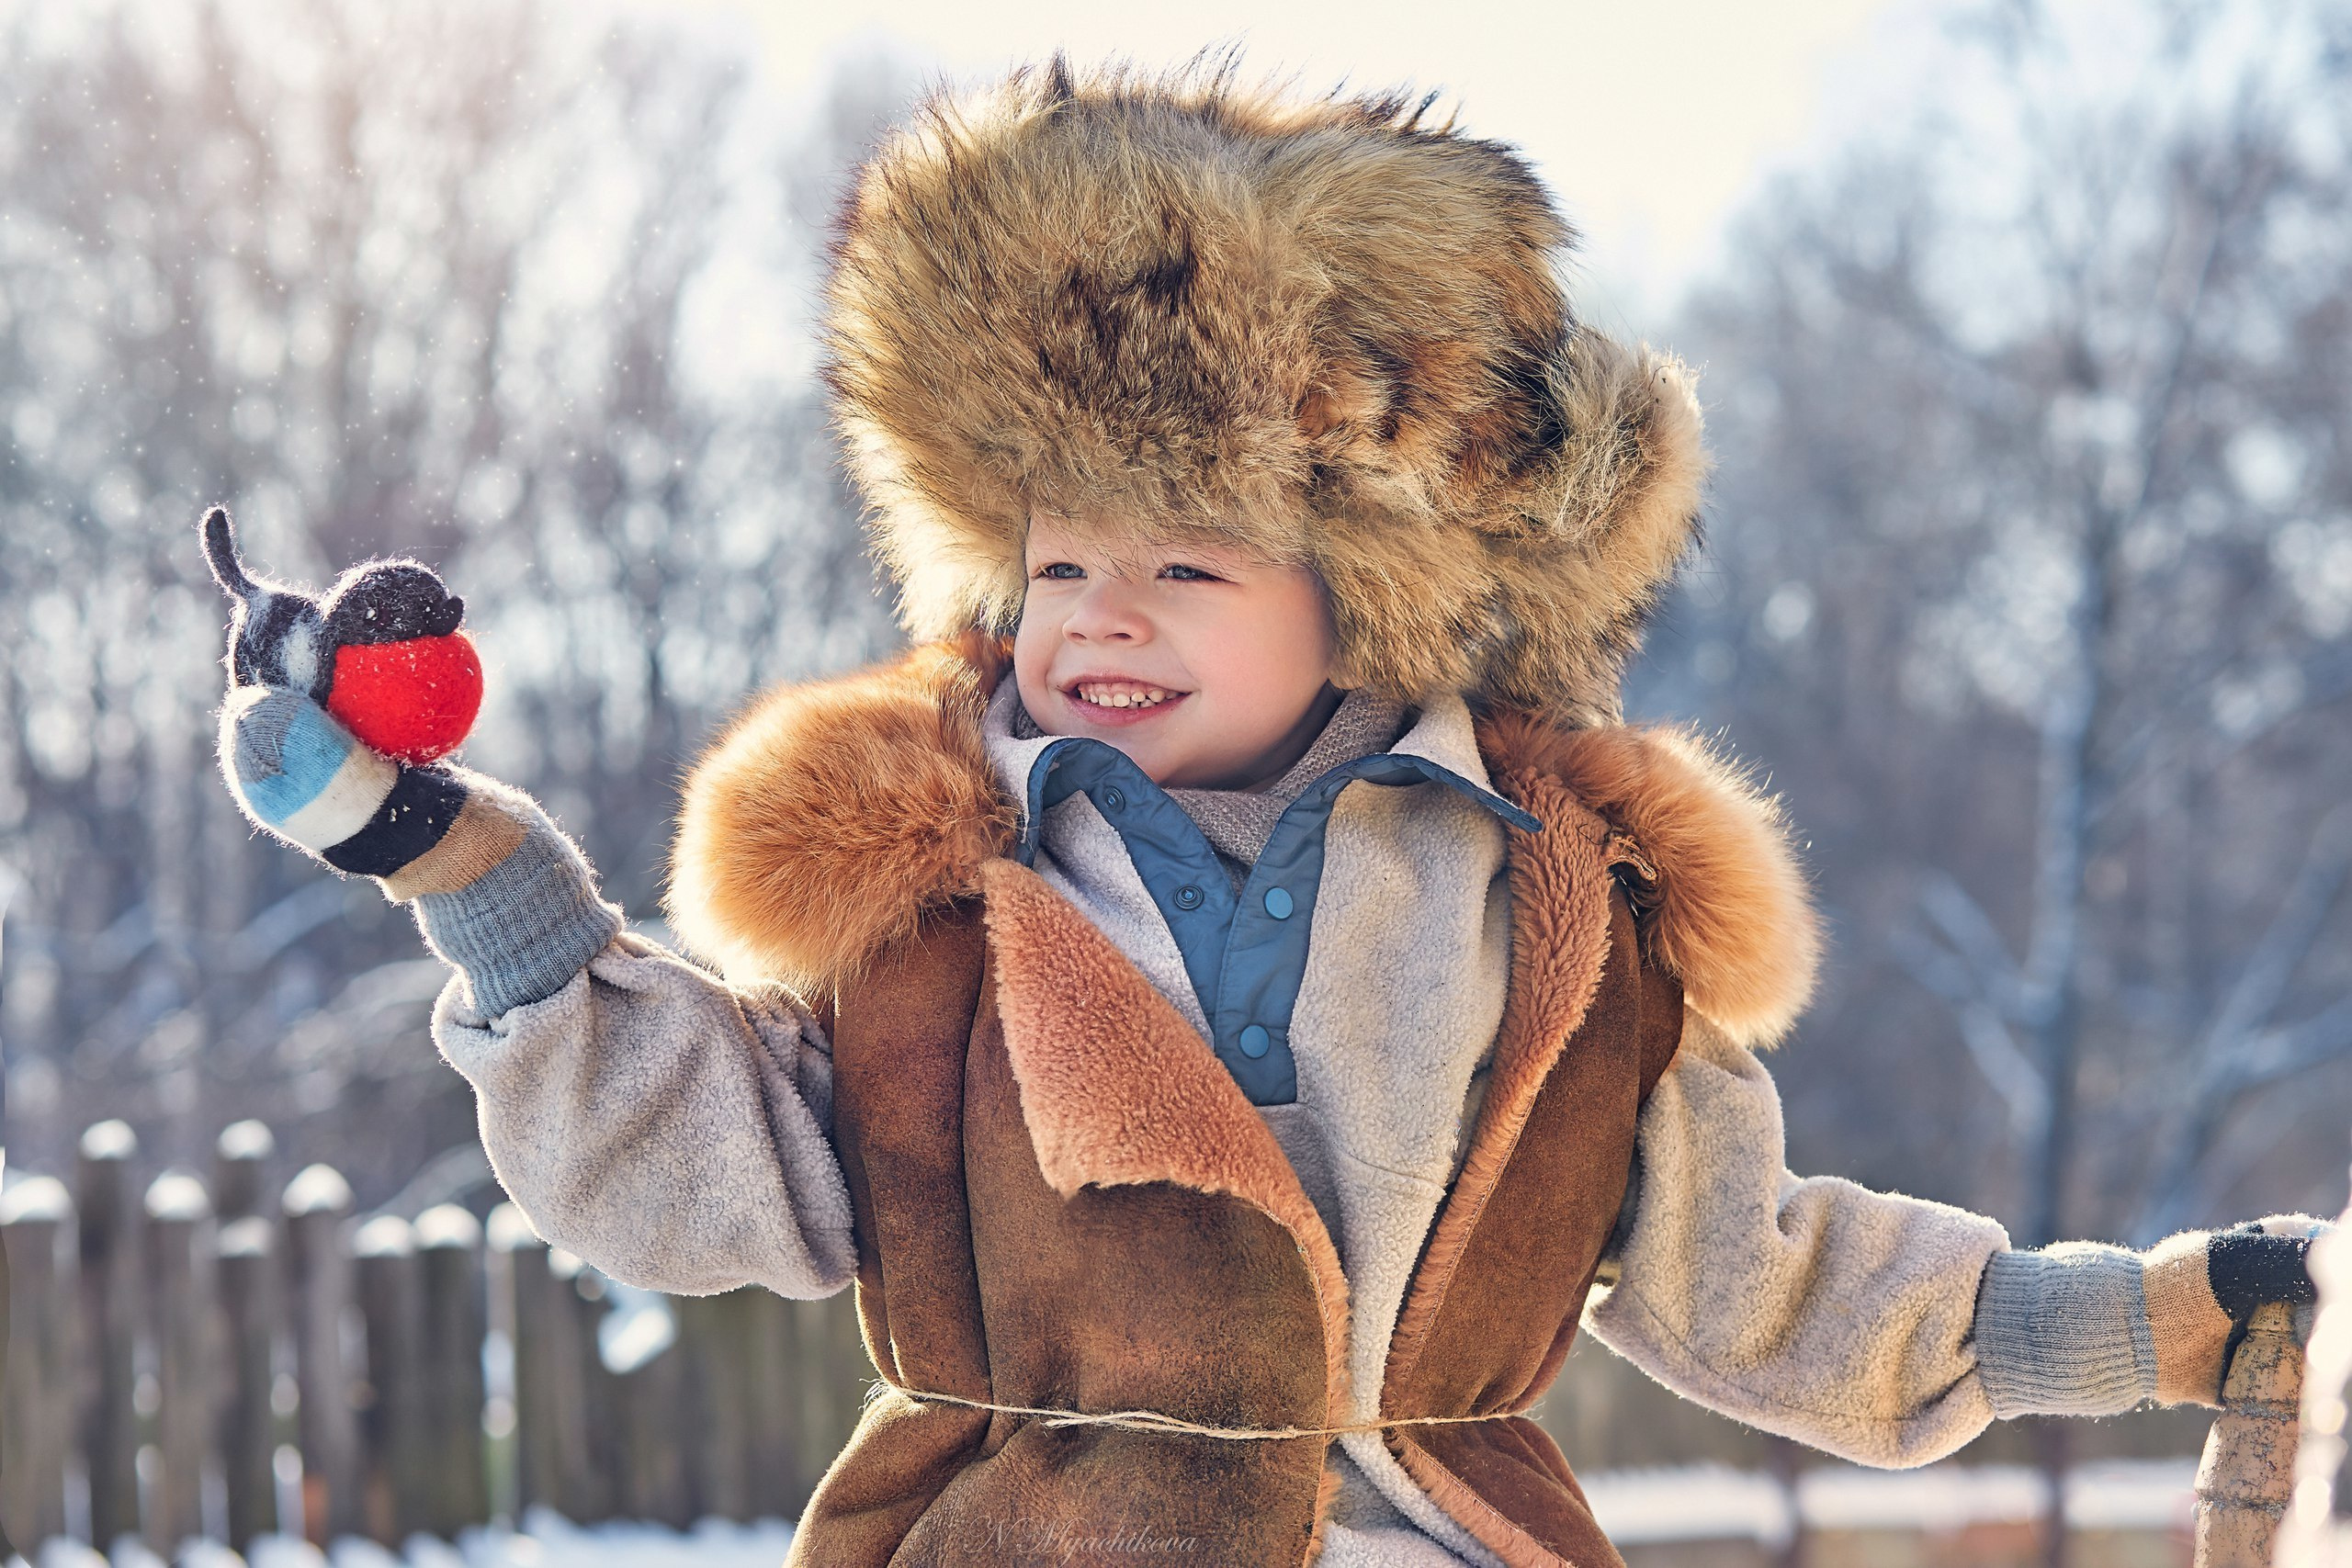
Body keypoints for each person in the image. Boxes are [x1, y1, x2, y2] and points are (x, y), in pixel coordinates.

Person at [215, 59, 2323, 1568]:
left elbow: (1752, 1275)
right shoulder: (941, 904)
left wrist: (2125, 1319)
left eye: (1188, 565)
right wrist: (466, 873)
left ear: (1361, 603)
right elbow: (704, 1164)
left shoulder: (1554, 916)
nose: (1098, 617)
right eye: (1057, 564)